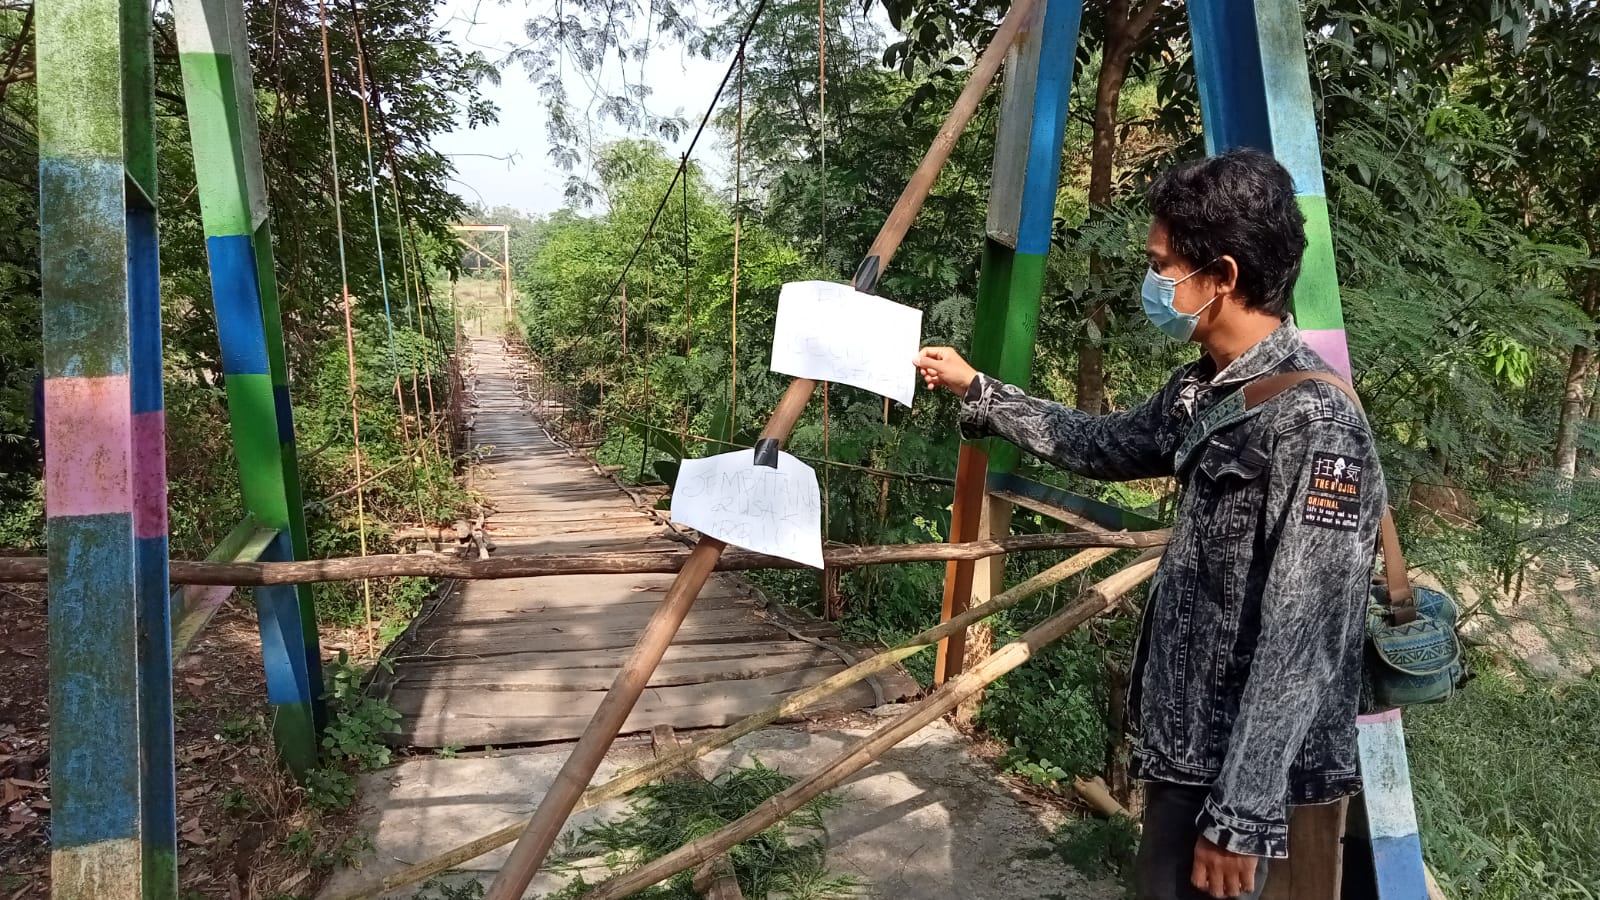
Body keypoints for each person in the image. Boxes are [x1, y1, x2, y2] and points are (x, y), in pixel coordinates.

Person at [914, 149, 1386, 900]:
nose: (1154, 282)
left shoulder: (1315, 424)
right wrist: (980, 389)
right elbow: (1100, 444)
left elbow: (1303, 642)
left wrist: (1239, 817)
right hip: (1183, 755)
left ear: (1222, 276)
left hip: (1236, 779)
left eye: (1163, 265)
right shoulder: (1204, 391)